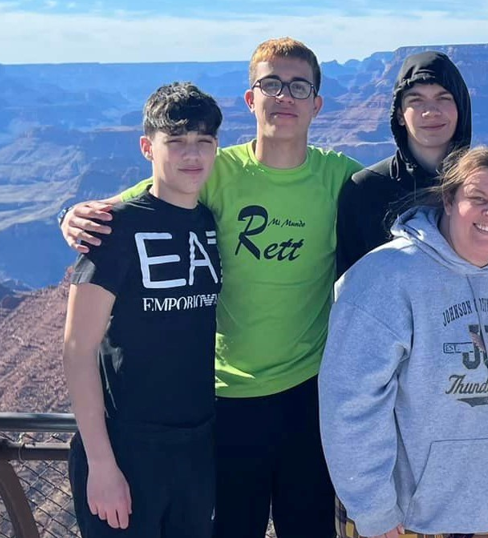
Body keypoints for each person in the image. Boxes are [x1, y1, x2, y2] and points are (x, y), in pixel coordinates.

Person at [59, 38, 363, 538]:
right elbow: (123, 210)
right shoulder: (216, 170)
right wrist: (69, 215)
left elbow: (407, 200)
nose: (284, 97)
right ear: (251, 99)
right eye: (271, 84)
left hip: (308, 397)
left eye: (298, 86)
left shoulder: (342, 178)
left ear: (317, 103)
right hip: (225, 402)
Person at [320, 146, 488, 538]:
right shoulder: (384, 276)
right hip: (409, 519)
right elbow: (349, 402)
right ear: (448, 199)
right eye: (478, 199)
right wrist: (373, 510)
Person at [63, 82, 223, 538]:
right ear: (147, 148)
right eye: (175, 142)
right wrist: (101, 465)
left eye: (204, 142)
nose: (191, 155)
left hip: (195, 446)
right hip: (127, 448)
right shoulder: (115, 229)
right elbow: (77, 350)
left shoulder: (208, 222)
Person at [336, 50, 471, 275]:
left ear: (461, 108)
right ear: (399, 114)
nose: (430, 111)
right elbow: (348, 286)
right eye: (416, 100)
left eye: (443, 98)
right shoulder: (365, 191)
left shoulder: (485, 186)